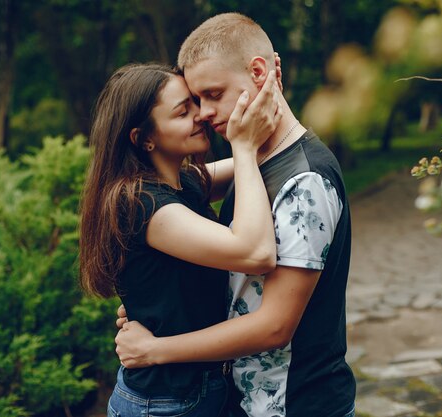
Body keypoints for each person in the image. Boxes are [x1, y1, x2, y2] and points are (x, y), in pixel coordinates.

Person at [114, 13, 356, 417]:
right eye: (194, 101)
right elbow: (176, 193)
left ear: (259, 72)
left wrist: (156, 349)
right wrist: (150, 302)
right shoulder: (254, 163)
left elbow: (275, 326)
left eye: (212, 94)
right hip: (246, 400)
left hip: (295, 403)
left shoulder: (304, 183)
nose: (204, 113)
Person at [79, 63, 283, 416]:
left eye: (196, 103)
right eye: (182, 111)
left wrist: (268, 90)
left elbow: (276, 153)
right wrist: (244, 148)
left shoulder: (183, 182)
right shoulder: (142, 204)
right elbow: (257, 252)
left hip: (196, 394)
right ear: (143, 138)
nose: (201, 116)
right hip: (163, 404)